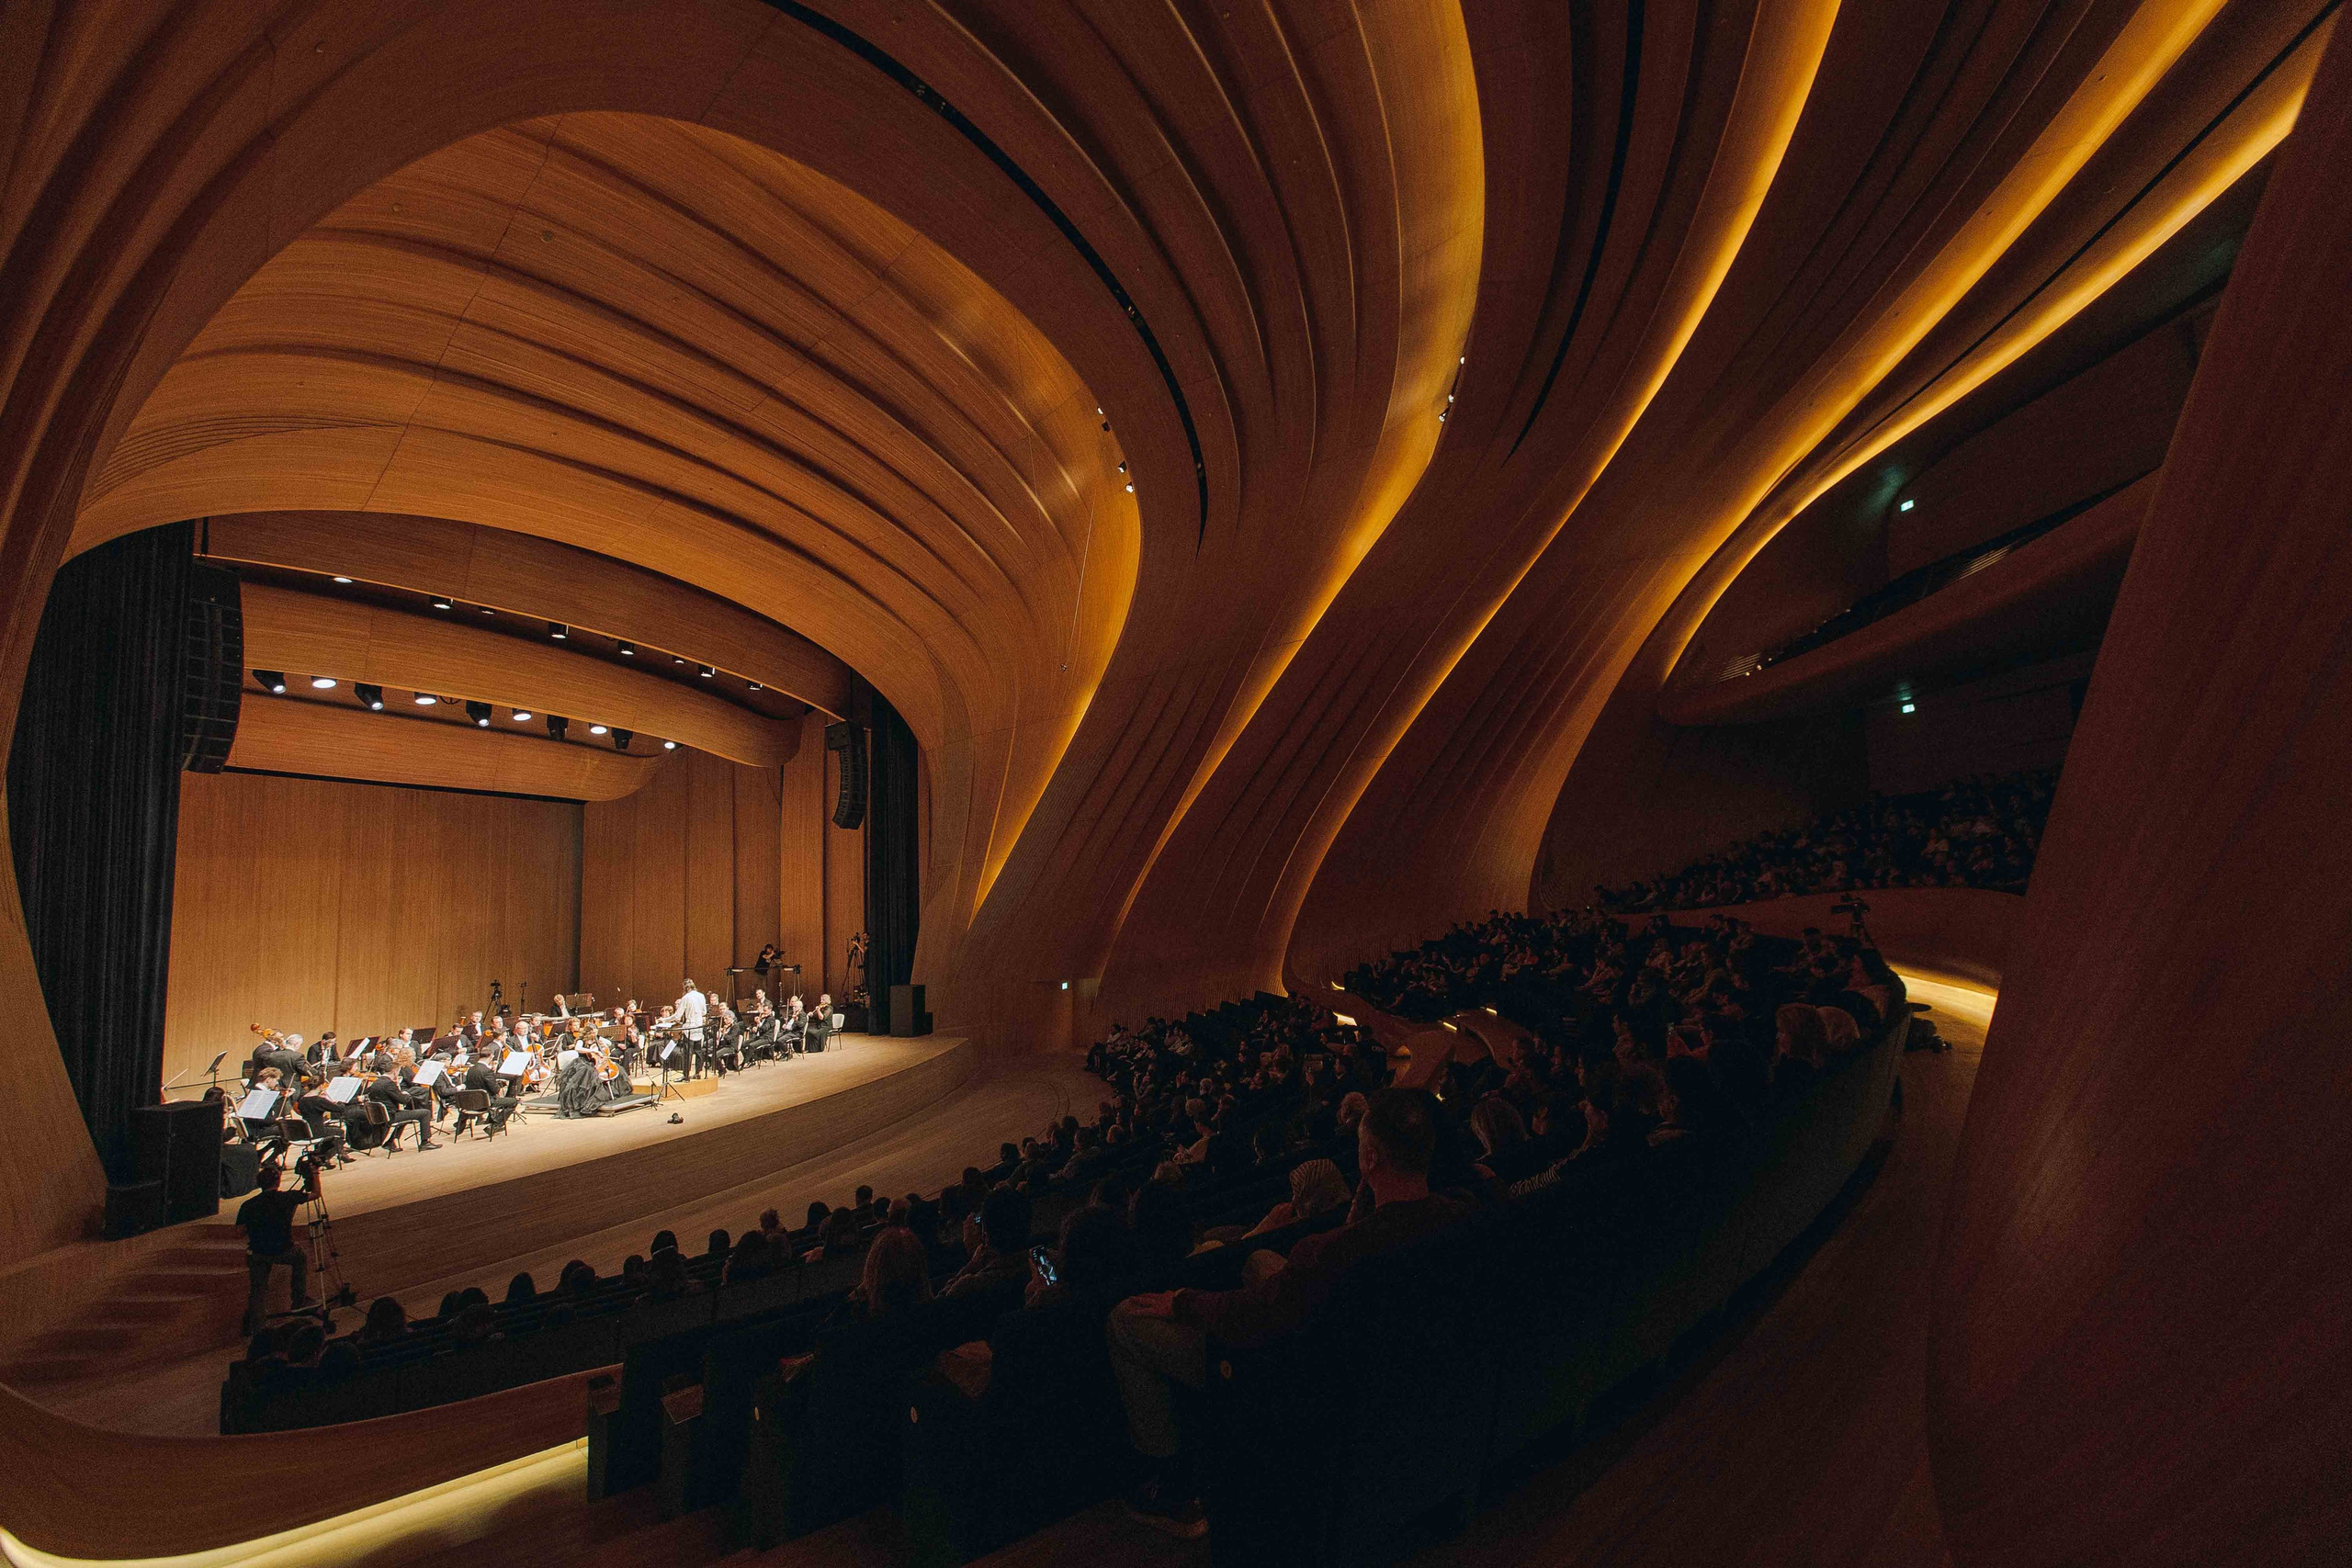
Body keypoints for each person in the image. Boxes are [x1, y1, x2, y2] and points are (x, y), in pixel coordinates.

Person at [1108, 1089, 1467, 1538]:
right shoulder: (1458, 1213)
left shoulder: (1333, 1253)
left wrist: (1181, 1300)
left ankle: (1174, 1489)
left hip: (1298, 1373)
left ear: (1371, 1158)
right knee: (1257, 1261)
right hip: (1381, 1348)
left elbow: (1253, 1315)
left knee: (1125, 1318)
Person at [236, 1162, 318, 1335]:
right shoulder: (287, 1198)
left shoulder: (248, 1205)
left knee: (258, 1289)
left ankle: (256, 1328)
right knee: (300, 1258)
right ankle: (299, 1300)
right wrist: (315, 1173)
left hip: (258, 1252)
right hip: (283, 1250)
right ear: (278, 1182)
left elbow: (239, 1232)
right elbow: (316, 1194)